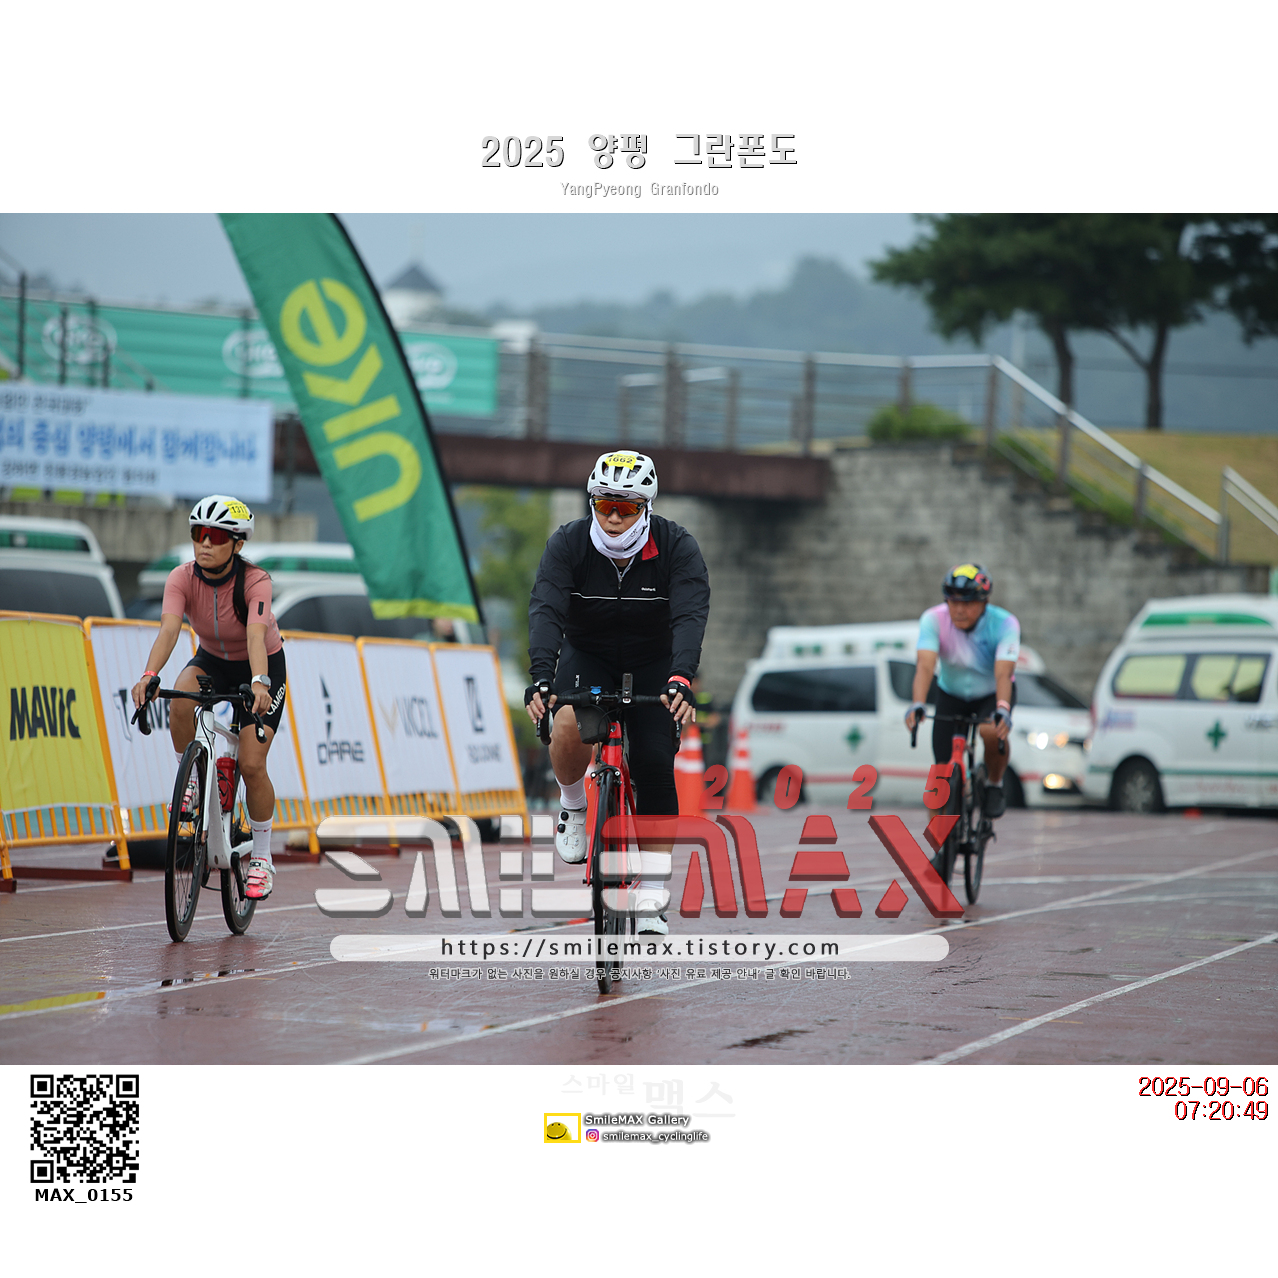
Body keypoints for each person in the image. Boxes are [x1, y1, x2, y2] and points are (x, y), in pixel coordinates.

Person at [525, 450, 710, 935]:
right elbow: (546, 609)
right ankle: (573, 805)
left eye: (625, 508)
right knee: (566, 722)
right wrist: (541, 676)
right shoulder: (568, 543)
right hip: (590, 655)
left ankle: (652, 893)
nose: (612, 517)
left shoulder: (677, 546)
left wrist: (682, 678)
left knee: (653, 760)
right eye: (604, 504)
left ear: (645, 508)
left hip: (654, 661)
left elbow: (690, 615)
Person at [130, 495, 287, 900]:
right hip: (213, 660)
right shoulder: (181, 577)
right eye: (198, 533)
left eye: (215, 536)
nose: (204, 543)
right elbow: (169, 630)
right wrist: (149, 675)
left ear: (237, 543)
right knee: (181, 700)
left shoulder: (256, 581)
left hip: (261, 665)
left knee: (252, 764)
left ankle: (262, 857)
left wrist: (259, 682)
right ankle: (193, 783)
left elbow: (256, 636)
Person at [904, 563, 1018, 819]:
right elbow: (925, 665)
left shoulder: (1004, 623)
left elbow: (1004, 673)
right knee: (939, 775)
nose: (958, 610)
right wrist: (917, 703)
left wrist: (1002, 709)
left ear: (984, 602)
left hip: (991, 694)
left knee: (991, 731)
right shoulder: (933, 619)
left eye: (967, 603)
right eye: (953, 602)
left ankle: (994, 784)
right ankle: (938, 840)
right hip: (951, 695)